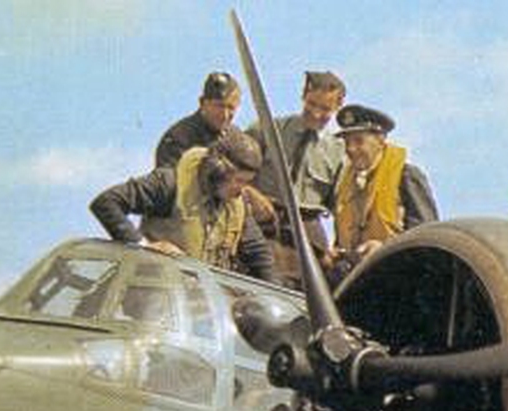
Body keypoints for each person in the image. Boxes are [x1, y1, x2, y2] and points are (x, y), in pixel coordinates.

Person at [90, 129, 277, 283]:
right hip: (149, 296)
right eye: (239, 181)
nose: (242, 191)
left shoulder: (237, 206)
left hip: (198, 305)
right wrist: (143, 247)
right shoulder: (169, 183)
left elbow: (259, 256)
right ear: (219, 170)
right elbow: (106, 202)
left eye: (247, 183)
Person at [244, 71, 347, 288]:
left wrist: (335, 247)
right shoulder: (266, 130)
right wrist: (251, 194)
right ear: (303, 96)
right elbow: (233, 172)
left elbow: (342, 208)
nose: (316, 114)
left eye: (325, 109)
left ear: (338, 107)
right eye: (312, 104)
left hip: (308, 235)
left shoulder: (339, 153)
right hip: (265, 226)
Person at [327, 104, 438, 277]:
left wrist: (384, 248)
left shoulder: (406, 175)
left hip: (398, 275)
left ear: (380, 141)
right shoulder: (344, 184)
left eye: (358, 141)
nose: (350, 149)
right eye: (347, 143)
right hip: (354, 279)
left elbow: (427, 235)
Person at [155, 72, 243, 168]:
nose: (225, 115)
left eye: (231, 108)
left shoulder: (237, 138)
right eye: (219, 106)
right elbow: (169, 175)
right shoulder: (178, 139)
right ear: (203, 103)